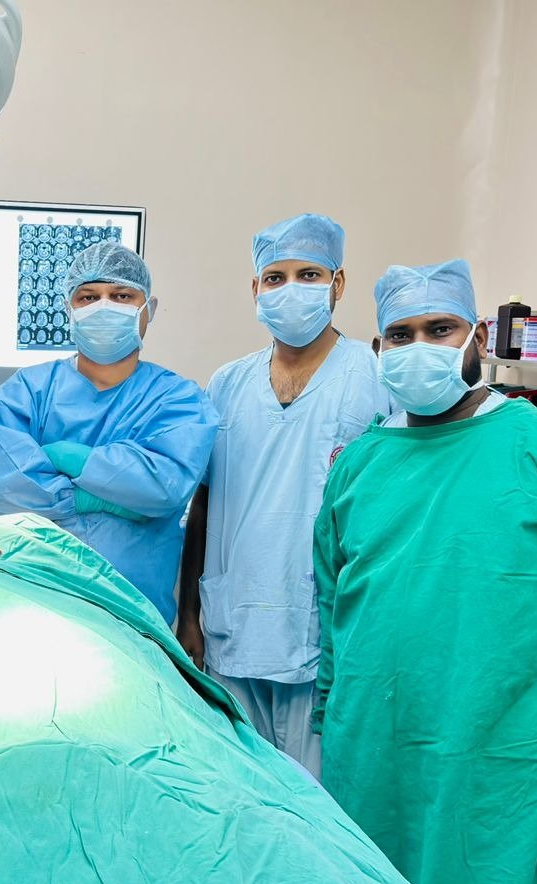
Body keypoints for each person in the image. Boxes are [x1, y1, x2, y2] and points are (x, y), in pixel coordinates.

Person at [312, 259, 537, 884]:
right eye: (401, 335)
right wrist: (331, 718)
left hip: (500, 761)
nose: (420, 347)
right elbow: (334, 607)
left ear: (476, 336)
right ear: (379, 349)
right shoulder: (358, 464)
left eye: (440, 329)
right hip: (369, 753)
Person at [176, 214, 388, 778]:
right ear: (255, 289)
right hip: (234, 627)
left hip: (323, 636)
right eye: (275, 277)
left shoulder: (373, 377)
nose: (291, 289)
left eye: (308, 274)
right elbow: (203, 501)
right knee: (240, 792)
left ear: (338, 283)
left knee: (317, 802)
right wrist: (188, 614)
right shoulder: (227, 384)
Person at [0, 242, 218, 623]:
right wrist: (104, 496)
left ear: (148, 309)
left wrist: (65, 457)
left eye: (121, 296)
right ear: (69, 309)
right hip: (32, 604)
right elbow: (0, 493)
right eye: (88, 297)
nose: (104, 306)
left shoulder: (180, 400)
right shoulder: (26, 393)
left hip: (134, 615)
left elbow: (163, 486)